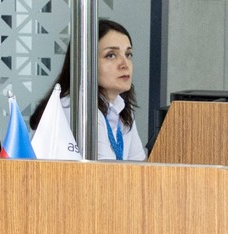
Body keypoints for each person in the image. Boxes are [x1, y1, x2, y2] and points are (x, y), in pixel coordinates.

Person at [35, 19, 146, 161]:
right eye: (111, 55)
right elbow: (103, 171)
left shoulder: (122, 109)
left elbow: (140, 165)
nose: (125, 64)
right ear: (85, 63)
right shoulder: (77, 108)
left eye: (128, 54)